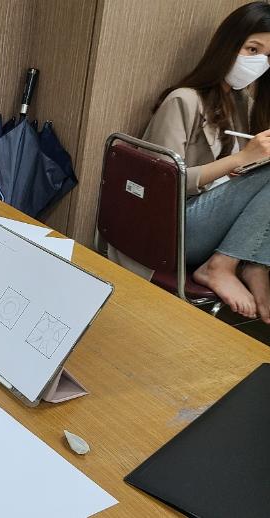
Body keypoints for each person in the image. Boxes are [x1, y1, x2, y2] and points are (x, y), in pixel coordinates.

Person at [117, 1, 270, 322]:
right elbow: (161, 186)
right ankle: (224, 265)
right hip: (173, 228)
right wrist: (241, 158)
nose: (259, 62)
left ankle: (252, 263)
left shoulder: (240, 103)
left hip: (209, 226)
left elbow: (234, 180)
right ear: (228, 45)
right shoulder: (183, 100)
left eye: (267, 57)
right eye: (252, 49)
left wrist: (247, 165)